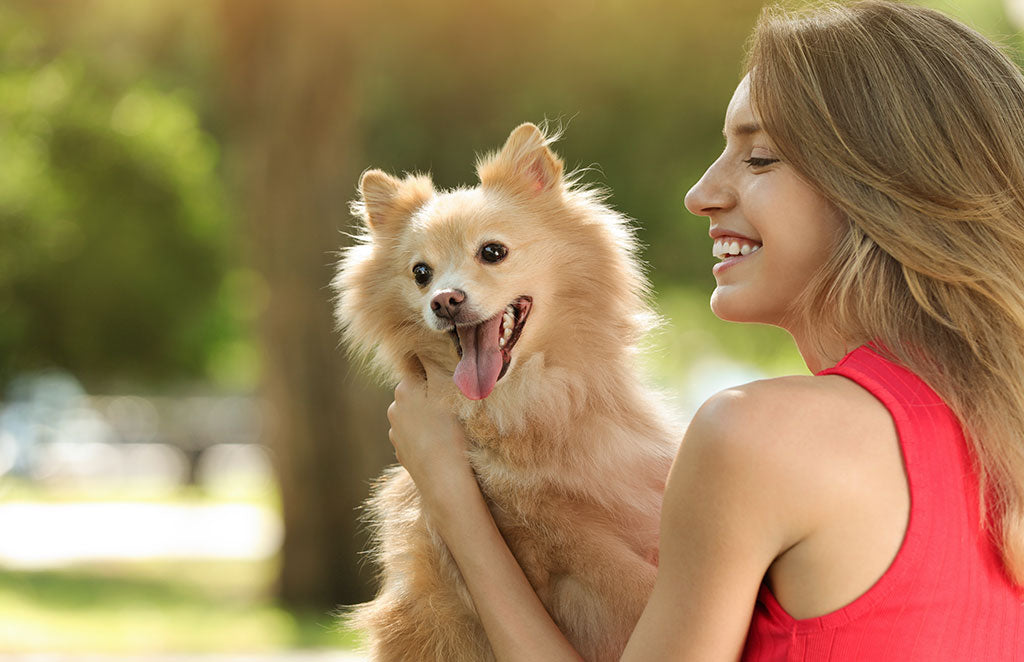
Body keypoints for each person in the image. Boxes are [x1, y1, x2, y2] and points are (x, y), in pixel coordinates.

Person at [385, 1, 1024, 659]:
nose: (701, 192)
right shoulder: (1001, 432)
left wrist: (449, 495)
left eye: (761, 157)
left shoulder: (754, 435)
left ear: (885, 188)